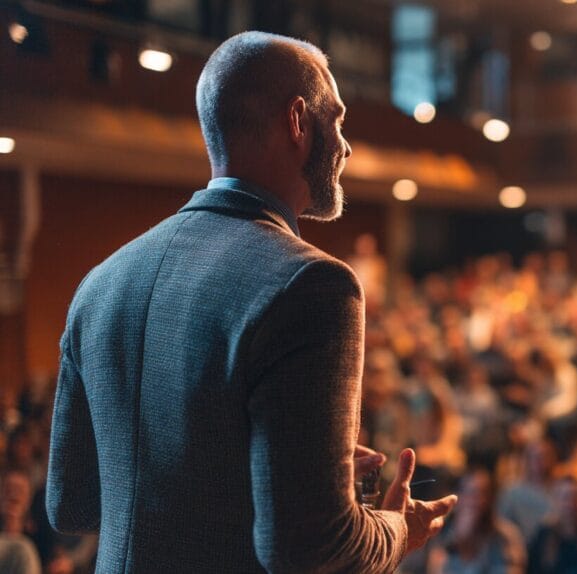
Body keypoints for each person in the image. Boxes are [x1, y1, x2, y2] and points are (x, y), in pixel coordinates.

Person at [45, 31, 455, 573]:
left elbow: (71, 504)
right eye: (336, 121)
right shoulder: (312, 285)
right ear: (297, 121)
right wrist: (395, 529)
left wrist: (293, 467)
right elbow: (309, 549)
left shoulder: (100, 282)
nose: (346, 145)